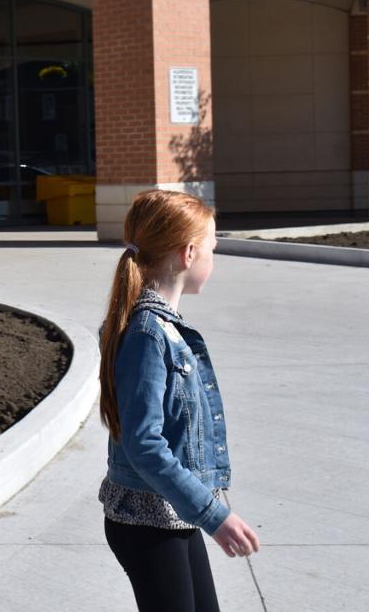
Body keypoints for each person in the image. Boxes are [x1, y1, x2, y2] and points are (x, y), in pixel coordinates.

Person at [96, 189, 260, 612]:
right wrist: (215, 515)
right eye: (213, 248)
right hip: (147, 520)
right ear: (189, 254)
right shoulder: (148, 334)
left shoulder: (158, 327)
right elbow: (144, 444)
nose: (213, 258)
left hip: (172, 512)